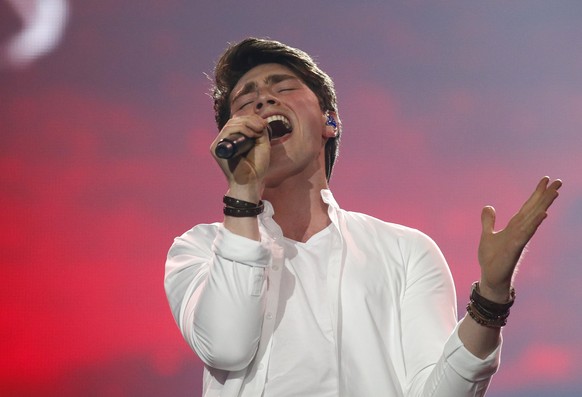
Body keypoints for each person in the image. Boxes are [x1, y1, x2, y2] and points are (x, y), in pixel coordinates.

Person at [164, 37, 562, 397]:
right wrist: (243, 195)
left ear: (330, 122)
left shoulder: (405, 251)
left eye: (282, 87)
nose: (263, 101)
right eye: (245, 101)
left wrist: (490, 298)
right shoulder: (197, 250)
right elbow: (227, 346)